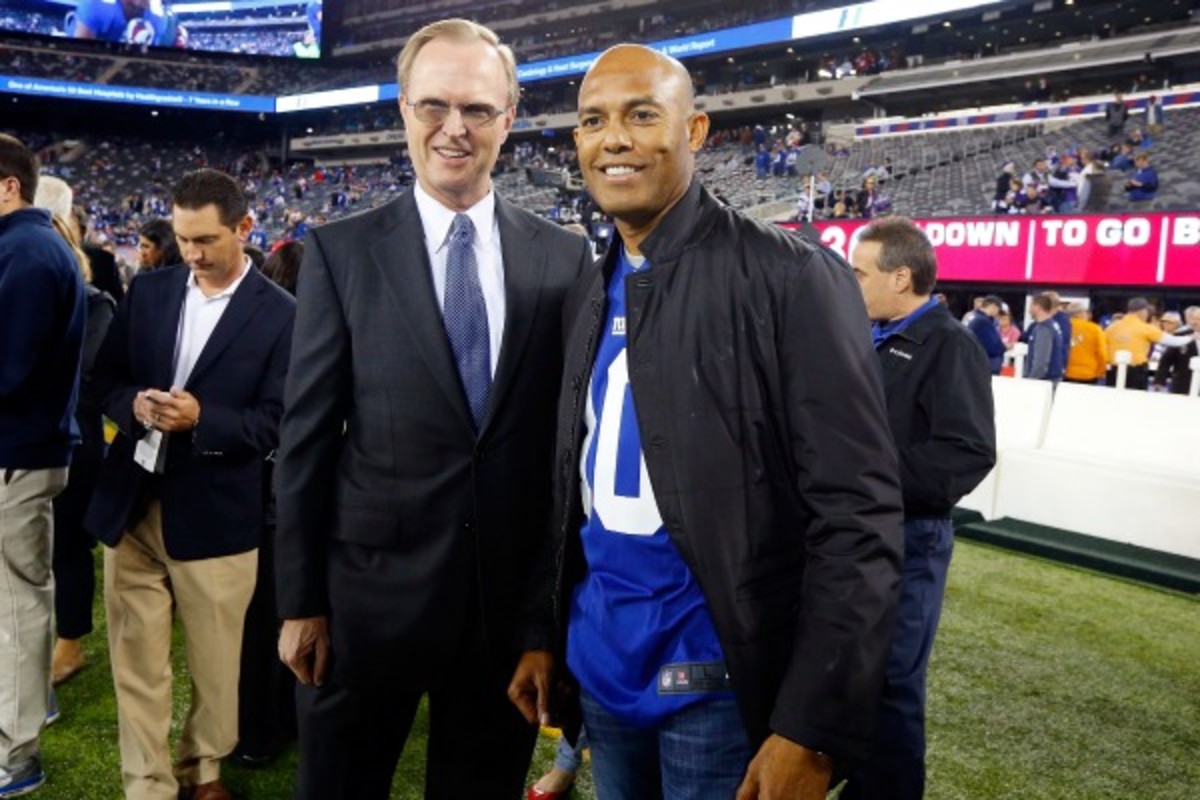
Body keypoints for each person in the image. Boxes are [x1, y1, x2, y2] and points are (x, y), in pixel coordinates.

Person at [513, 44, 903, 800]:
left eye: (641, 115)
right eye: (594, 121)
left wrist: (812, 724)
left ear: (695, 132)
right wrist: (543, 633)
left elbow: (857, 517)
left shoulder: (791, 277)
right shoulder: (588, 288)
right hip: (602, 673)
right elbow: (569, 489)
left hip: (719, 688)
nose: (614, 138)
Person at [273, 18, 592, 799]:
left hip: (503, 625)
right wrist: (302, 602)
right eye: (434, 106)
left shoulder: (563, 256)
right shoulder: (341, 252)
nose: (455, 128)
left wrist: (542, 623)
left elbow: (563, 460)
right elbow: (306, 440)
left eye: (478, 110)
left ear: (509, 118)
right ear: (403, 111)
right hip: (362, 610)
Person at [85, 169, 295, 800]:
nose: (192, 254)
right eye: (182, 239)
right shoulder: (148, 290)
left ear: (245, 229)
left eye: (205, 239)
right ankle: (147, 786)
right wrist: (134, 407)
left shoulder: (284, 314)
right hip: (134, 504)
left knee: (216, 667)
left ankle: (203, 770)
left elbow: (281, 419)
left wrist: (205, 419)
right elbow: (103, 381)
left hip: (217, 515)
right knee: (137, 665)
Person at [846, 217, 995, 800]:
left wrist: (864, 479)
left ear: (901, 277)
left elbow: (966, 454)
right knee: (853, 678)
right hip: (859, 536)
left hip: (910, 541)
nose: (849, 282)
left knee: (890, 686)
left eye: (859, 273)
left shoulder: (950, 345)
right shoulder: (873, 334)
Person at [0, 134, 86, 800]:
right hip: (23, 448)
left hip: (16, 452)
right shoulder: (28, 247)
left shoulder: (27, 252)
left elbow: (12, 370)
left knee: (17, 605)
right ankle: (22, 717)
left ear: (9, 187)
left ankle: (17, 752)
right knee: (16, 601)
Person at [32, 176, 118, 688]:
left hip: (71, 441)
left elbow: (90, 382)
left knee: (66, 545)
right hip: (32, 435)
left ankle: (70, 643)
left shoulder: (94, 301)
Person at [1105, 297, 1193, 390]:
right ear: (1142, 311)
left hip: (1113, 371)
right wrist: (1191, 337)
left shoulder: (1112, 328)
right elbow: (1173, 341)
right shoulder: (1145, 328)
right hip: (1135, 374)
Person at [1154, 306, 1200, 395]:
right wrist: (1159, 382)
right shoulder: (1179, 336)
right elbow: (1166, 360)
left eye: (1198, 319)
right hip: (1182, 385)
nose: (1195, 322)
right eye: (1193, 319)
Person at [1063, 303, 1108, 385]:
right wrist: (1101, 372)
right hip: (1088, 374)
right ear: (1080, 313)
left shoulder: (1062, 327)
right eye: (1086, 312)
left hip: (1066, 373)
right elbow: (1102, 353)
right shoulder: (1095, 329)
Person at [1025, 293, 1065, 383]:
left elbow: (1041, 361)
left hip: (1044, 382)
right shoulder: (1053, 325)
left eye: (1031, 306)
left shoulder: (1044, 329)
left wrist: (1031, 380)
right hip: (1052, 379)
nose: (1029, 310)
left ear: (1037, 307)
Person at [966, 295, 1006, 374]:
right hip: (983, 367)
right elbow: (993, 346)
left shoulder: (975, 318)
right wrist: (1004, 347)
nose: (997, 312)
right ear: (993, 306)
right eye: (998, 309)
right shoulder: (982, 321)